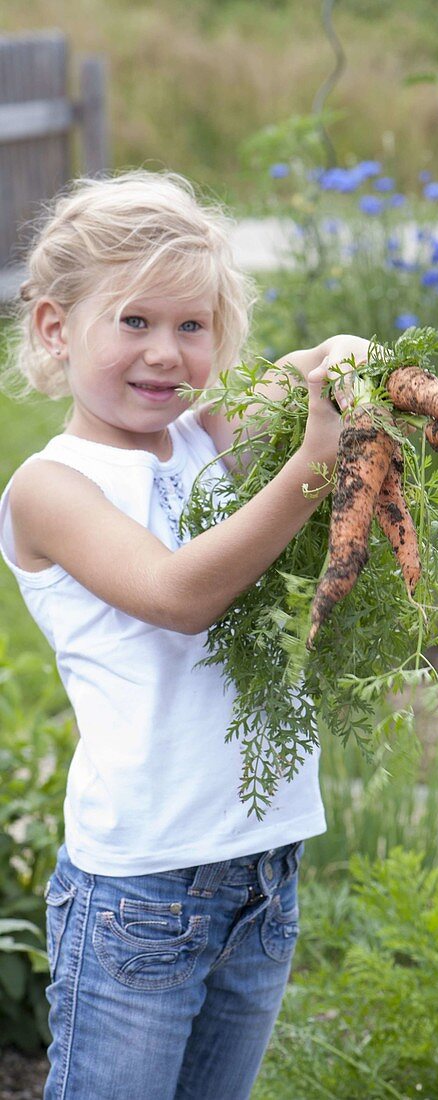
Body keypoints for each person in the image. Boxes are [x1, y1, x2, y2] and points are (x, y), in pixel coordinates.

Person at [0, 169, 371, 1100]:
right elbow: (174, 594)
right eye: (134, 322)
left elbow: (291, 382)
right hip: (141, 893)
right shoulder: (53, 489)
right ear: (55, 328)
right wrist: (315, 469)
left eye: (191, 326)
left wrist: (343, 359)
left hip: (261, 872)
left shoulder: (203, 438)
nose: (165, 353)